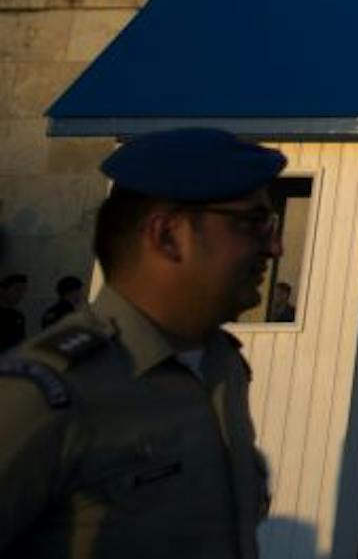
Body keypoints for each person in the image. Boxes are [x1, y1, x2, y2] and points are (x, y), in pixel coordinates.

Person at [0, 127, 285, 558]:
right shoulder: (46, 394)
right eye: (253, 224)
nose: (275, 248)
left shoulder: (221, 368)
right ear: (167, 236)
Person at [0, 273, 26, 351]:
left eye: (23, 291)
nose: (20, 295)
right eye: (17, 290)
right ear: (2, 290)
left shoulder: (18, 315)